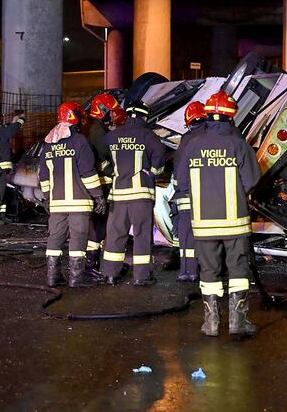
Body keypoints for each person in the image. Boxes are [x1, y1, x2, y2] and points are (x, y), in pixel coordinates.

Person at [176, 91, 261, 336]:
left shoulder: (192, 145)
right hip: (235, 222)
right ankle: (238, 321)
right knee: (238, 270)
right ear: (230, 117)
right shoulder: (238, 144)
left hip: (203, 223)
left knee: (209, 270)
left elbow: (181, 182)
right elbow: (252, 180)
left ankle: (211, 322)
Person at [38, 102, 107, 287]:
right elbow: (88, 172)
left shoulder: (48, 145)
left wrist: (47, 197)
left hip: (56, 203)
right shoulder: (79, 141)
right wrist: (98, 196)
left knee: (56, 237)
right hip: (78, 202)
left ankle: (53, 277)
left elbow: (43, 175)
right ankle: (76, 278)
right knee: (78, 237)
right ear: (75, 118)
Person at [100, 100, 165, 286]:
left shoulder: (112, 136)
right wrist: (152, 172)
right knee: (142, 235)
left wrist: (110, 171)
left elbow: (99, 157)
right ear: (144, 116)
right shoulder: (148, 135)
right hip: (140, 196)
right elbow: (159, 159)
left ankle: (110, 274)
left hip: (118, 196)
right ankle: (141, 277)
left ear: (128, 115)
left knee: (115, 235)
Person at [85, 93, 126, 278]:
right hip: (101, 184)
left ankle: (94, 263)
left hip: (99, 183)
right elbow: (107, 153)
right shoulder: (97, 131)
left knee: (100, 225)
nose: (112, 115)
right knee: (100, 225)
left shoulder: (95, 128)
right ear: (102, 111)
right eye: (110, 111)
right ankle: (92, 264)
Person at [172, 101, 208, 282]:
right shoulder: (212, 136)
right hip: (209, 195)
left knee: (186, 233)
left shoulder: (187, 139)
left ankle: (187, 270)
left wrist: (181, 189)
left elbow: (179, 168)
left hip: (187, 194)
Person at [0, 110, 26, 224]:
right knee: (0, 192)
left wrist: (12, 122)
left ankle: (1, 215)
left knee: (3, 191)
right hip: (1, 167)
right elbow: (15, 128)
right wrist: (21, 118)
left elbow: (8, 129)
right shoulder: (2, 131)